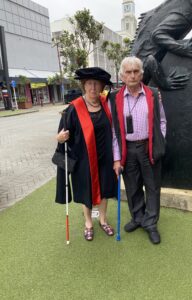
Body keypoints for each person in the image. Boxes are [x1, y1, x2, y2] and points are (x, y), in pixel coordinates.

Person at [54, 67, 117, 241]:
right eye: (89, 83)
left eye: (97, 84)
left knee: (105, 189)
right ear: (84, 85)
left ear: (102, 86)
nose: (93, 88)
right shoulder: (73, 108)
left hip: (105, 158)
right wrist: (60, 138)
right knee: (85, 190)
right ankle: (88, 222)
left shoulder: (106, 104)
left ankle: (103, 220)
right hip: (84, 160)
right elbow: (62, 135)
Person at [112, 56, 167, 244]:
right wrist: (117, 158)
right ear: (122, 75)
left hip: (148, 148)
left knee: (152, 188)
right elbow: (114, 131)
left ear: (142, 74)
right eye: (128, 72)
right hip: (128, 150)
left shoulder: (152, 94)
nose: (133, 75)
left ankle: (150, 223)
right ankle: (137, 218)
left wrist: (159, 141)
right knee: (133, 187)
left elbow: (162, 121)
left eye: (136, 71)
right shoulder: (115, 97)